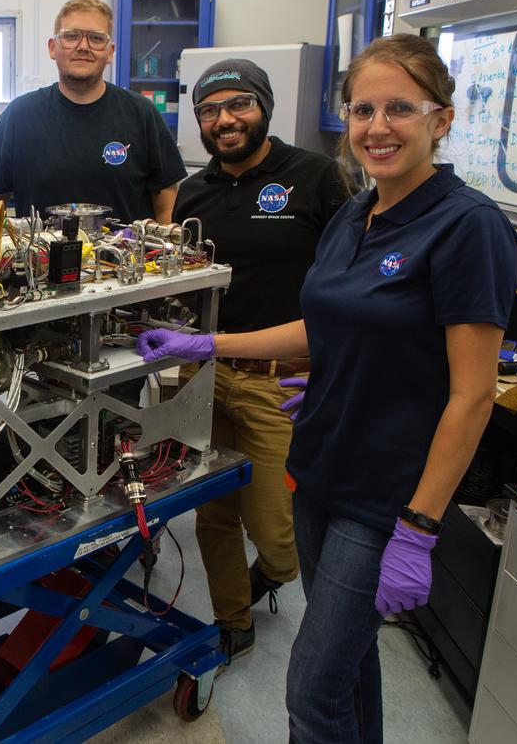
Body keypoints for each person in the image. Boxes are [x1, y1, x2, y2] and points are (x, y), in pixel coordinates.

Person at [136, 34, 517, 743]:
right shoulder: (357, 215)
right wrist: (209, 343)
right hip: (321, 469)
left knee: (312, 692)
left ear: (441, 118)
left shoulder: (469, 228)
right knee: (350, 667)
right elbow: (322, 327)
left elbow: (474, 394)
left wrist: (421, 526)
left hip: (387, 494)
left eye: (399, 108)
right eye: (363, 109)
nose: (377, 127)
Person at [175, 58, 352, 665]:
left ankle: (271, 574)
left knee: (278, 532)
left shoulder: (315, 176)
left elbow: (349, 281)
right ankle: (232, 617)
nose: (224, 120)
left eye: (237, 105)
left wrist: (338, 364)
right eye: (208, 111)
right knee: (211, 513)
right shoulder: (194, 192)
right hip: (201, 372)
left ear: (264, 108)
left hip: (282, 382)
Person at [0, 0, 182, 224]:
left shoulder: (143, 114)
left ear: (110, 51)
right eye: (71, 36)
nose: (83, 46)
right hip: (39, 259)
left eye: (96, 38)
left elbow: (166, 206)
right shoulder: (19, 116)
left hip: (124, 258)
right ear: (53, 47)